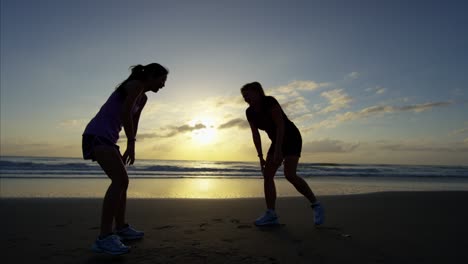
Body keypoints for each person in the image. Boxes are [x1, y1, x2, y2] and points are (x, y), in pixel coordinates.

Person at [82, 63, 168, 255]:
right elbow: (124, 112)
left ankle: (120, 228)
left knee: (123, 182)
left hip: (108, 137)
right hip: (97, 134)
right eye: (162, 80)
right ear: (152, 76)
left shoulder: (143, 97)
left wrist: (132, 145)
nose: (163, 85)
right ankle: (104, 238)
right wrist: (129, 141)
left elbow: (133, 120)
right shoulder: (136, 84)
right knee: (120, 181)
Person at [241, 82, 324, 226]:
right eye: (244, 96)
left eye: (248, 94)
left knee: (290, 175)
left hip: (291, 136)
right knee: (267, 175)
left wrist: (279, 150)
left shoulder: (269, 101)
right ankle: (271, 214)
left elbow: (281, 125)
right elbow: (255, 134)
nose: (245, 98)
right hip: (276, 141)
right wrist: (260, 157)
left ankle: (316, 205)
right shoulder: (249, 112)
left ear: (258, 92)